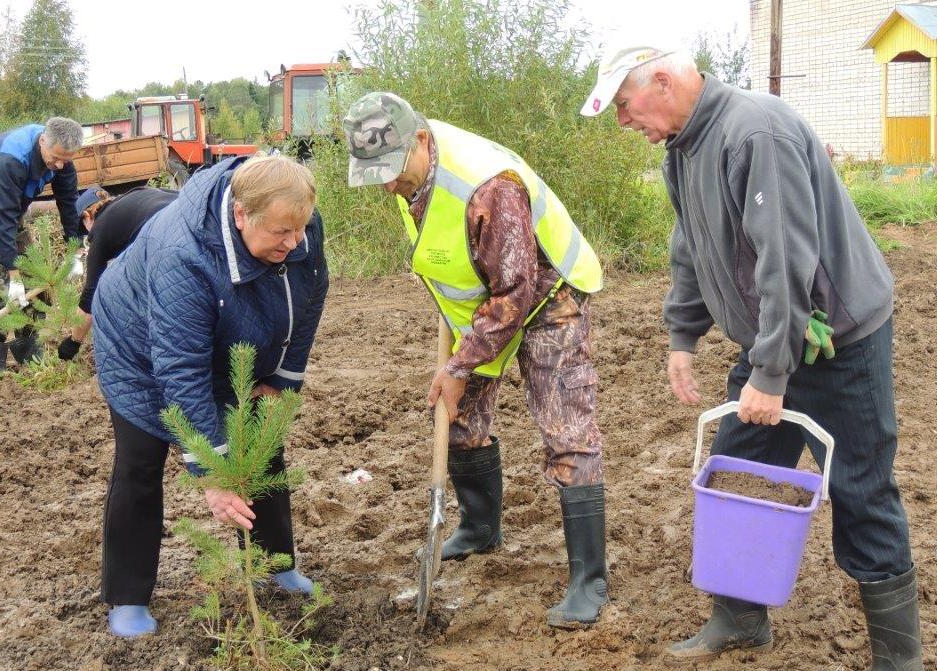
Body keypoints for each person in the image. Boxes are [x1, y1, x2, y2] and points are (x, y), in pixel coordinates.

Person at [581, 46, 923, 667]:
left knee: (859, 489)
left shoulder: (754, 132)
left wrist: (771, 374)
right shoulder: (684, 148)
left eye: (625, 107)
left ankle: (897, 656)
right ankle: (739, 619)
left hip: (836, 341)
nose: (624, 122)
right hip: (771, 335)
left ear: (662, 80)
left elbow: (787, 260)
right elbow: (691, 246)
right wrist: (683, 336)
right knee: (737, 469)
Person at [343, 92, 607, 629]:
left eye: (392, 171)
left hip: (545, 297)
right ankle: (480, 528)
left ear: (420, 139)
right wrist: (460, 363)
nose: (387, 184)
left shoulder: (490, 186)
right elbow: (455, 255)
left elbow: (515, 292)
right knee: (456, 412)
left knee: (566, 428)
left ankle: (589, 579)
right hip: (484, 304)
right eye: (376, 174)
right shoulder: (409, 171)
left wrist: (461, 366)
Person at [91, 155, 329, 638]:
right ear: (241, 215)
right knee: (140, 459)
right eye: (282, 232)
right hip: (138, 346)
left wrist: (282, 381)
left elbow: (310, 299)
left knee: (262, 444)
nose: (295, 241)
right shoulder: (183, 254)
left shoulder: (298, 223)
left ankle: (273, 564)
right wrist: (212, 473)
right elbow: (180, 370)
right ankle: (127, 597)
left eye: (300, 229)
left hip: (231, 333)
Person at [0, 117, 84, 374]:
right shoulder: (14, 158)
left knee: (36, 278)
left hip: (13, 210)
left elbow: (69, 204)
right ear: (42, 141)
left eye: (66, 160)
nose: (59, 165)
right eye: (55, 158)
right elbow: (1, 217)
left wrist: (75, 250)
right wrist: (13, 276)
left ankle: (29, 355)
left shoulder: (62, 160)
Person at [56, 186, 178, 361]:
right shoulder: (134, 198)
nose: (87, 235)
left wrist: (73, 341)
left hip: (167, 239)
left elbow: (91, 294)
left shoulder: (100, 228)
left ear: (86, 216)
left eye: (84, 230)